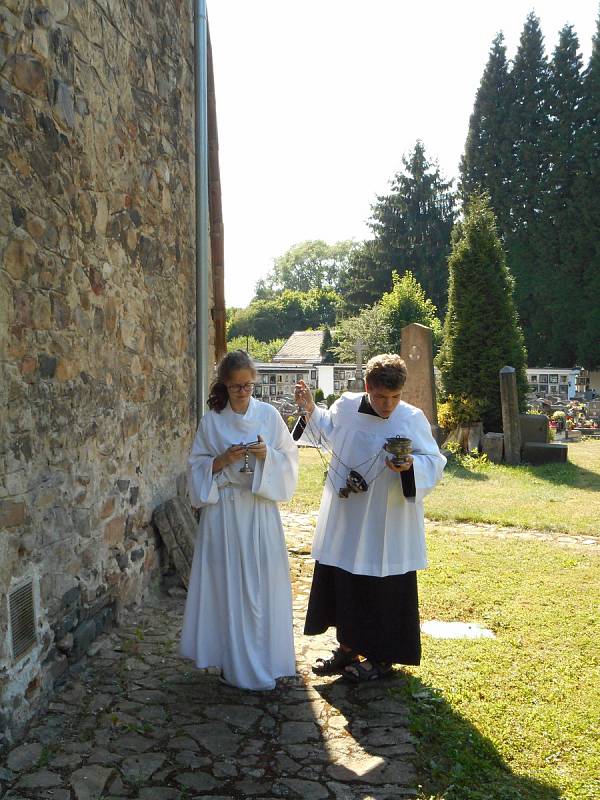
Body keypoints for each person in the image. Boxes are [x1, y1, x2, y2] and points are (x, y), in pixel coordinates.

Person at [294, 353, 446, 682]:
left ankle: (381, 657)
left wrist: (410, 467)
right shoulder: (346, 407)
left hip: (388, 519)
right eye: (380, 397)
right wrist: (309, 409)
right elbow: (325, 432)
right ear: (367, 387)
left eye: (394, 397)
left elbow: (434, 460)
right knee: (346, 581)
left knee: (384, 585)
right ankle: (348, 647)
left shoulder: (411, 418)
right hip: (348, 515)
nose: (388, 405)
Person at [180, 350, 299, 690]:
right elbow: (196, 466)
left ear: (255, 382)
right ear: (224, 386)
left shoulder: (270, 416)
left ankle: (265, 660)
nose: (243, 392)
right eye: (235, 387)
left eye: (248, 385)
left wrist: (268, 457)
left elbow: (290, 462)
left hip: (259, 510)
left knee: (261, 586)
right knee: (228, 584)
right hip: (225, 513)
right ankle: (230, 659)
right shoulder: (212, 420)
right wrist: (220, 461)